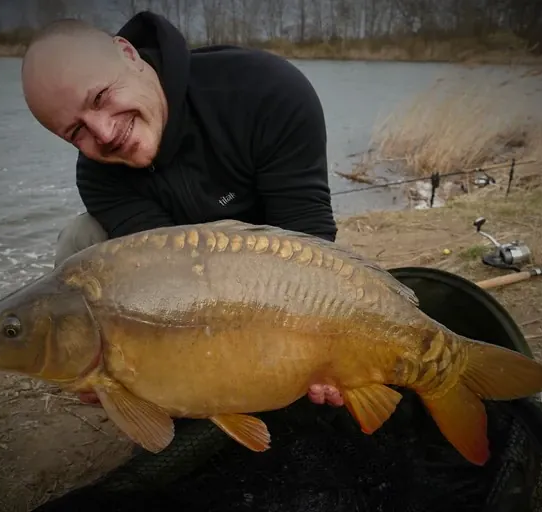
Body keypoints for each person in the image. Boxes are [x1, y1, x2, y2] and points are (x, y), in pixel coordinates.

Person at [20, 11, 343, 409]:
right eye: (76, 132)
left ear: (128, 53)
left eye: (100, 98)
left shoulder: (265, 89)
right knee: (81, 240)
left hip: (281, 274)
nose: (104, 134)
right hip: (190, 295)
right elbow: (172, 285)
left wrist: (315, 344)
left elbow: (309, 239)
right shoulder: (98, 176)